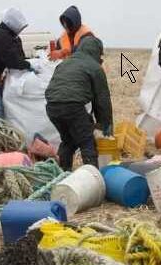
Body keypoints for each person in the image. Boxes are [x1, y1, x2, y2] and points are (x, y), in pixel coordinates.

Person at [45, 36, 113, 171]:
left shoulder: (65, 63)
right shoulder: (95, 68)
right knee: (87, 141)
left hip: (52, 106)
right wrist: (106, 125)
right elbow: (102, 100)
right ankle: (92, 177)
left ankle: (63, 174)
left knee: (68, 141)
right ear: (96, 51)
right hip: (71, 106)